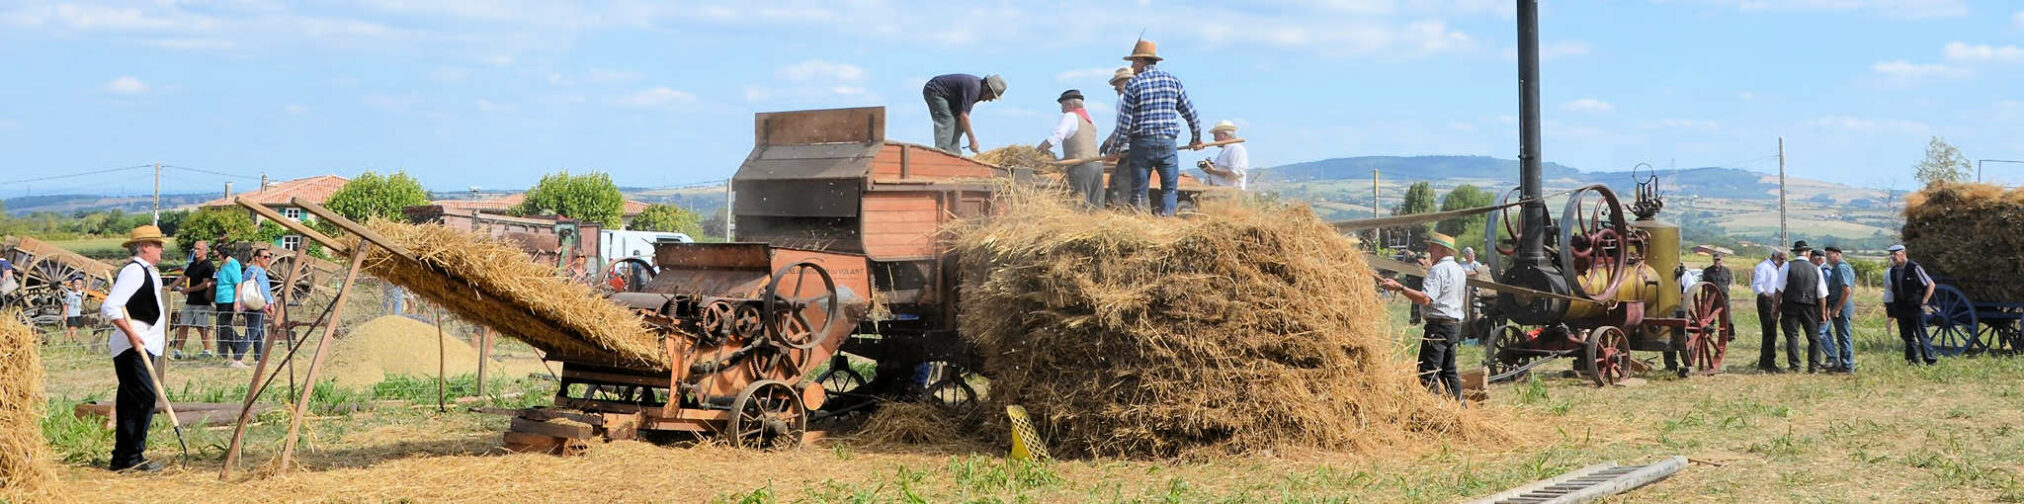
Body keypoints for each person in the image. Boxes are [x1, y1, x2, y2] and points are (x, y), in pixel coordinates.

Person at [1105, 39, 1205, 216]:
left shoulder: (1133, 85)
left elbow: (1125, 124)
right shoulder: (1173, 81)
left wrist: (1113, 149)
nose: (1132, 66)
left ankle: (1141, 226)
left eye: (1133, 62)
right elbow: (1191, 113)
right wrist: (1196, 138)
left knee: (1139, 191)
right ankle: (1166, 224)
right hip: (1167, 143)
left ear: (1141, 61)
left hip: (1141, 145)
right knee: (1169, 190)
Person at [101, 225, 169, 472]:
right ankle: (130, 456)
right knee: (142, 398)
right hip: (133, 347)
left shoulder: (149, 272)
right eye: (158, 244)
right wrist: (131, 334)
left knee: (133, 399)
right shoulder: (134, 271)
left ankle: (125, 457)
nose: (162, 249)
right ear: (145, 247)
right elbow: (110, 307)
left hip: (143, 344)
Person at [1380, 232, 1468, 401]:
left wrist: (1400, 288)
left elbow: (1425, 299)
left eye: (1432, 247)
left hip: (1438, 328)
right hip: (1453, 326)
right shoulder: (1459, 270)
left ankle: (1434, 412)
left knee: (1427, 373)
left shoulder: (1438, 270)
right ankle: (1460, 409)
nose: (1428, 250)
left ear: (1442, 250)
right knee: (1448, 372)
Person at [1038, 89, 1105, 209]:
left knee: (1080, 205)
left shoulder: (1070, 116)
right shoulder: (1089, 122)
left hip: (1080, 166)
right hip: (1097, 166)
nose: (1062, 110)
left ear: (1070, 105)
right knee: (1096, 206)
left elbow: (1057, 136)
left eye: (1063, 106)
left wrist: (1039, 150)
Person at [1774, 241, 1828, 373]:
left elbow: (1779, 290)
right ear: (1808, 253)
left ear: (1795, 252)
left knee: (1792, 336)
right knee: (1813, 337)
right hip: (1810, 306)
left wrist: (1775, 307)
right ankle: (1814, 366)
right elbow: (1821, 294)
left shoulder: (1787, 266)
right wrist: (1823, 312)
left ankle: (1795, 365)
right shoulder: (1816, 269)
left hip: (1790, 304)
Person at [921, 73, 1006, 155]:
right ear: (987, 88)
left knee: (959, 123)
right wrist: (972, 140)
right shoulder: (974, 89)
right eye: (992, 96)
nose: (990, 100)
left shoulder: (978, 91)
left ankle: (954, 153)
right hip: (935, 90)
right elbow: (964, 116)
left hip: (949, 97)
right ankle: (941, 152)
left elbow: (962, 118)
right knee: (947, 119)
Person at [1885, 244, 1938, 365]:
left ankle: (1930, 361)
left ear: (1903, 254)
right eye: (1891, 254)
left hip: (1915, 307)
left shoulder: (1914, 268)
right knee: (1906, 335)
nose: (1893, 257)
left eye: (1895, 254)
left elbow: (1930, 284)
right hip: (1901, 307)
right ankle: (1913, 360)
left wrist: (1924, 300)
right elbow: (1894, 288)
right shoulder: (1893, 271)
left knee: (1921, 335)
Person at [1099, 67, 1141, 209]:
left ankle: (1120, 213)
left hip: (1128, 149)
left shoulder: (1123, 99)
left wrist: (1113, 147)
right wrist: (1108, 142)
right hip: (1140, 149)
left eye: (1119, 82)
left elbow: (1124, 126)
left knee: (1119, 188)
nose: (1116, 86)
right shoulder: (1140, 99)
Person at [169, 241, 216, 360]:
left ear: (205, 251)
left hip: (202, 301)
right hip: (190, 301)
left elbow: (206, 284)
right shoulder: (193, 264)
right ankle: (178, 351)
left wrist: (188, 290)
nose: (196, 251)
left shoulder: (208, 266)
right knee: (183, 325)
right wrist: (169, 287)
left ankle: (207, 350)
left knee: (201, 326)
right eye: (195, 249)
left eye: (199, 249)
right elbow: (183, 277)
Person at [229, 250, 275, 368]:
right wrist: (270, 303)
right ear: (256, 258)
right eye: (265, 257)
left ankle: (259, 359)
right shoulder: (257, 271)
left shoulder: (249, 271)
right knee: (253, 331)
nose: (268, 259)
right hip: (255, 305)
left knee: (259, 332)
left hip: (250, 304)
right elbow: (264, 289)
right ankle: (237, 358)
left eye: (269, 257)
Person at [1751, 250, 1787, 373]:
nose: (1783, 261)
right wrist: (1771, 297)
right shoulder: (1763, 267)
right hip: (1766, 301)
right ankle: (1767, 363)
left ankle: (1767, 362)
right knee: (1769, 331)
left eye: (1785, 259)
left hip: (1777, 300)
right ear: (1773, 257)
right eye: (1781, 258)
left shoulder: (1781, 268)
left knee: (1772, 332)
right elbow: (1757, 287)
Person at [1823, 246, 1857, 373]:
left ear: (1837, 254)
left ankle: (1847, 366)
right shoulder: (1836, 268)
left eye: (1829, 255)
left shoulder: (1841, 268)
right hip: (1839, 306)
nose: (1827, 258)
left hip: (1842, 307)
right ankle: (1844, 364)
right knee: (1841, 336)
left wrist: (1837, 309)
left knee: (1844, 336)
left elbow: (1846, 290)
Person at [213, 249, 243, 366]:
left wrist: (236, 301)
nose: (217, 258)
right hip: (220, 299)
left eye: (217, 255)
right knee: (221, 326)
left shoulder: (233, 264)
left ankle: (238, 346)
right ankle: (228, 351)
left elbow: (238, 283)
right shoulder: (223, 265)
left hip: (229, 299)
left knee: (225, 326)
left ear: (224, 254)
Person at [1197, 120, 1247, 190]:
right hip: (1219, 191)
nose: (1214, 139)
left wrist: (1213, 171)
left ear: (1224, 135)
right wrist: (1210, 167)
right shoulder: (1226, 150)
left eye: (1216, 135)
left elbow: (1235, 174)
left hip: (1229, 193)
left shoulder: (1236, 149)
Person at [62, 276, 86, 342]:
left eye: (80, 284)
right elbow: (65, 304)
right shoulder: (70, 294)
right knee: (71, 328)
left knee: (75, 327)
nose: (78, 286)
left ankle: (73, 339)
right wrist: (65, 314)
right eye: (76, 284)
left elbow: (81, 300)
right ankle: (66, 340)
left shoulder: (80, 292)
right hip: (71, 314)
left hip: (77, 313)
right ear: (72, 284)